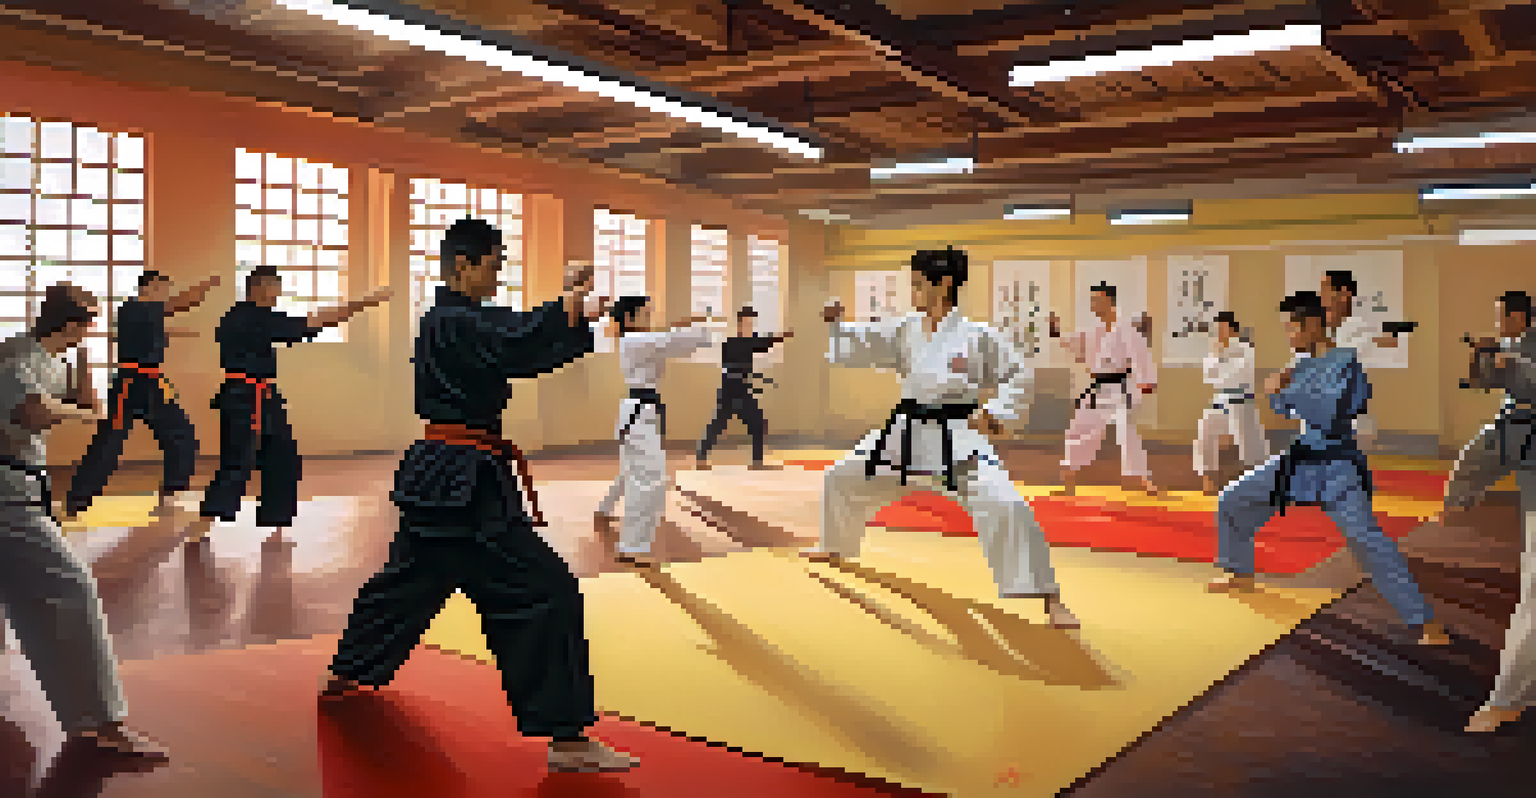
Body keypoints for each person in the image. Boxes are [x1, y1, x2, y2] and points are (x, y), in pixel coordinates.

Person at [325, 219, 635, 773]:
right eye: (494, 264)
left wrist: (571, 306)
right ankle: (567, 740)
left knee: (412, 577)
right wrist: (567, 304)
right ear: (462, 265)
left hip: (443, 474)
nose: (498, 273)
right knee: (546, 591)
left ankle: (349, 669)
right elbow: (514, 343)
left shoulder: (454, 320)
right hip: (464, 477)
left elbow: (515, 341)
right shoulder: (451, 319)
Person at [806, 247, 1079, 629]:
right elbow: (863, 341)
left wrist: (996, 414)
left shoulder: (976, 336)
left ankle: (1050, 598)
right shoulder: (906, 329)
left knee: (1008, 505)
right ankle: (833, 546)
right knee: (841, 476)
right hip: (907, 435)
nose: (912, 292)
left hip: (957, 438)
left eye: (918, 285)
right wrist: (836, 324)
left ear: (944, 284)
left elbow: (1018, 374)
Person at [1207, 290, 1449, 646]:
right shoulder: (1300, 365)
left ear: (1314, 325)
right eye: (1286, 330)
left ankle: (1424, 621)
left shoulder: (1346, 363)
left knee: (1365, 538)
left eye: (1293, 329)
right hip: (1300, 458)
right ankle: (1240, 570)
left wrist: (1284, 392)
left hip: (1337, 465)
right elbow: (1286, 412)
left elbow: (1330, 414)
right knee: (1232, 498)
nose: (1289, 337)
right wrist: (1277, 393)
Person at [0, 284, 167, 764]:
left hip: (22, 486)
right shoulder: (16, 357)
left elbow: (88, 404)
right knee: (71, 588)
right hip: (8, 494)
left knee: (22, 597)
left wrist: (85, 368)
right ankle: (100, 723)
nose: (92, 328)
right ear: (72, 322)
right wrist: (79, 415)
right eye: (90, 321)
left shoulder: (52, 360)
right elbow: (32, 413)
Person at [180, 265, 391, 544]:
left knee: (282, 453)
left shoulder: (240, 316)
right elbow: (313, 322)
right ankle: (204, 520)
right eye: (274, 288)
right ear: (259, 288)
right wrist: (366, 302)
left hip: (262, 395)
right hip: (246, 398)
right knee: (238, 460)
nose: (278, 294)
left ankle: (276, 520)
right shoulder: (251, 317)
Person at [1443, 290, 1536, 733]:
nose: (1499, 323)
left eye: (1502, 318)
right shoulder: (1512, 347)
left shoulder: (1526, 350)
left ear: (1518, 317)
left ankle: (1509, 697)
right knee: (1463, 470)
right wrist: (1484, 357)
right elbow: (1482, 384)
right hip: (1512, 436)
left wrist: (1510, 364)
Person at [64, 271, 220, 521]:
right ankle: (77, 500)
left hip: (151, 383)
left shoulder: (148, 313)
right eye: (162, 288)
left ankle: (171, 493)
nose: (165, 293)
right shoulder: (133, 308)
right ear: (149, 287)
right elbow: (183, 302)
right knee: (110, 443)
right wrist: (208, 283)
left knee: (182, 435)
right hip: (131, 384)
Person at [592, 296, 713, 569]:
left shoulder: (637, 341)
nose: (650, 318)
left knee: (632, 469)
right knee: (650, 476)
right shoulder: (635, 341)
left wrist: (682, 327)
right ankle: (632, 545)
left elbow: (668, 339)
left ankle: (605, 508)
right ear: (630, 319)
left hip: (639, 412)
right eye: (645, 314)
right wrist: (701, 321)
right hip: (638, 414)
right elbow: (677, 342)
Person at [1048, 283, 1160, 496]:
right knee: (1078, 428)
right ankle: (1068, 482)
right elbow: (1075, 342)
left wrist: (1147, 380)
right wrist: (1057, 334)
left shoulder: (1126, 329)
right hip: (1099, 387)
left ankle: (1143, 481)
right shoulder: (1095, 331)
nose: (1093, 305)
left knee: (1127, 432)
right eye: (1092, 301)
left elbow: (1140, 354)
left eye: (1097, 300)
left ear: (1109, 302)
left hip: (1120, 388)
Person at [695, 305, 793, 471]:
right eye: (747, 323)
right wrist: (781, 337)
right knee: (720, 424)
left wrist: (779, 338)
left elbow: (760, 344)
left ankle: (756, 462)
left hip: (737, 387)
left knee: (756, 423)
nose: (750, 326)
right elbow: (760, 343)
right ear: (740, 324)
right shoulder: (733, 342)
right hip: (732, 389)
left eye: (751, 323)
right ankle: (702, 458)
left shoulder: (745, 341)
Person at [1319, 270, 1402, 451]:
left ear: (1345, 293)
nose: (1321, 294)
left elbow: (1387, 344)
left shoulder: (1364, 326)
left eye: (1326, 288)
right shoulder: (1317, 327)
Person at [1194, 311, 1271, 496]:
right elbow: (1208, 377)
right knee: (1205, 430)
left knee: (1249, 443)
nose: (1219, 332)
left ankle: (1259, 482)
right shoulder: (1216, 350)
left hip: (1241, 400)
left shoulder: (1246, 349)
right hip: (1220, 400)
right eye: (1217, 329)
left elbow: (1238, 376)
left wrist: (1220, 372)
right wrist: (1217, 358)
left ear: (1232, 329)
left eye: (1222, 328)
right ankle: (1208, 478)